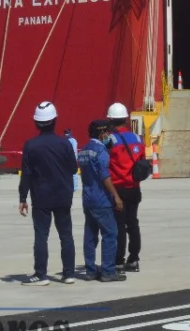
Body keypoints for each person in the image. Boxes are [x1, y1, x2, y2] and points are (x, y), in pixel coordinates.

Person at [18, 101, 79, 285]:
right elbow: (73, 169)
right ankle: (68, 274)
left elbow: (26, 174)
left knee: (41, 236)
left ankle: (41, 274)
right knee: (66, 236)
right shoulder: (65, 143)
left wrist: (23, 198)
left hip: (41, 197)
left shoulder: (31, 145)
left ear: (36, 123)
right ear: (55, 120)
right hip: (63, 195)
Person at [81, 118, 126, 282]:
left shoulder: (84, 150)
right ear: (101, 133)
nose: (109, 136)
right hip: (101, 200)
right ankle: (108, 270)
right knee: (110, 233)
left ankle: (90, 270)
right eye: (107, 132)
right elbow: (104, 176)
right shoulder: (101, 152)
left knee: (90, 235)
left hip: (87, 199)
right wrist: (116, 195)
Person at [106, 102, 144, 272]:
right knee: (133, 223)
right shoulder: (138, 138)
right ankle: (134, 258)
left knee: (119, 226)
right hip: (134, 188)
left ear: (112, 121)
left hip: (118, 189)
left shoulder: (110, 140)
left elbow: (105, 162)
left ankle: (118, 260)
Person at [65, 127, 80, 192]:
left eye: (67, 132)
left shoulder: (73, 140)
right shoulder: (66, 140)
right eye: (65, 133)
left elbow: (74, 150)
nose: (66, 134)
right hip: (67, 158)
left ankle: (75, 187)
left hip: (72, 158)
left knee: (74, 173)